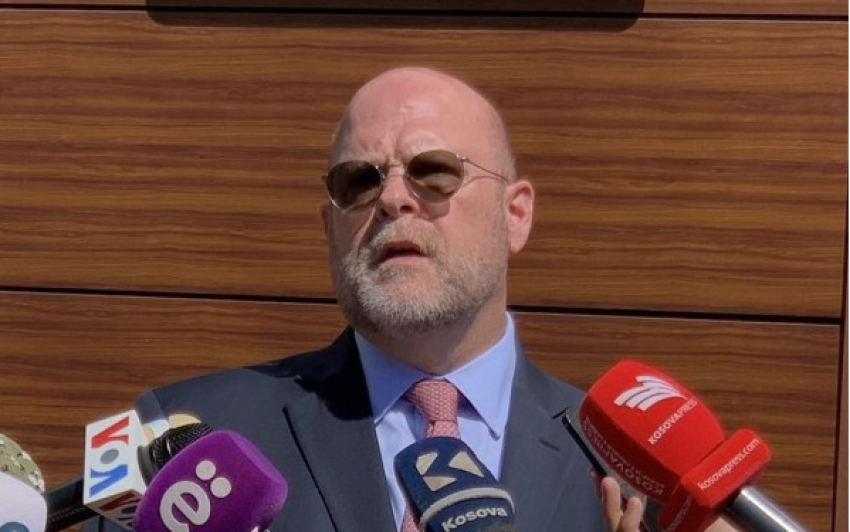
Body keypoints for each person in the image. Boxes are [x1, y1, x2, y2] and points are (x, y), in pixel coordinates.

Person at [83, 66, 731, 532]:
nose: (393, 198)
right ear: (330, 227)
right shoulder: (183, 438)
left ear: (515, 215)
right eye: (358, 181)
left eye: (434, 172)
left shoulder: (638, 468)